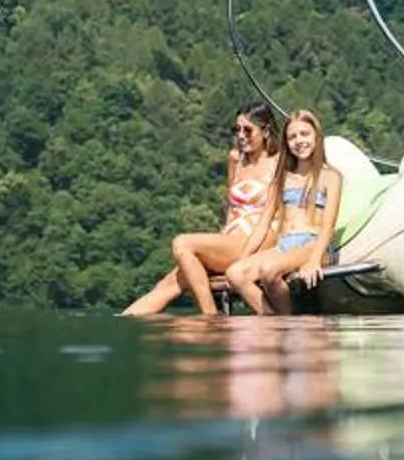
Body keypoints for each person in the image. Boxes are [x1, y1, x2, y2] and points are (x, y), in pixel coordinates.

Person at [123, 104, 280, 316]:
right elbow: (232, 208)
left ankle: (210, 317)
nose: (241, 136)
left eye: (248, 130)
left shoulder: (279, 162)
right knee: (167, 285)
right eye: (237, 130)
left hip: (261, 241)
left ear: (266, 131)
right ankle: (123, 323)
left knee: (182, 244)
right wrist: (223, 237)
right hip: (231, 241)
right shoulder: (236, 159)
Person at [226, 107, 345, 314]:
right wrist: (244, 256)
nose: (299, 141)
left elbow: (328, 226)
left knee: (269, 270)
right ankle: (273, 319)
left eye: (304, 134)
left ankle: (288, 323)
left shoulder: (330, 177)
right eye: (292, 137)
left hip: (314, 244)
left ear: (316, 136)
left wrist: (315, 259)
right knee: (235, 273)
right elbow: (263, 224)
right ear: (286, 144)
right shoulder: (282, 178)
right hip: (285, 245)